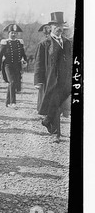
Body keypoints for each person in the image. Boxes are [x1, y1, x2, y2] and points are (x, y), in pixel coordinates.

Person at [34, 12, 72, 143]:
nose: (59, 28)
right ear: (50, 27)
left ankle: (46, 121)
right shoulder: (44, 44)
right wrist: (38, 81)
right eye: (56, 25)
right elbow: (38, 64)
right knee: (55, 104)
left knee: (61, 106)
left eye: (61, 25)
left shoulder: (67, 42)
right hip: (50, 80)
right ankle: (56, 133)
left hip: (65, 80)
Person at [0, 24, 27, 108]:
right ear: (8, 33)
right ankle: (13, 102)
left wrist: (24, 61)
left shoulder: (19, 42)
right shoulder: (5, 43)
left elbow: (23, 54)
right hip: (8, 65)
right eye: (12, 33)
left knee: (13, 83)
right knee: (12, 82)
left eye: (15, 33)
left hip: (17, 65)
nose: (13, 35)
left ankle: (7, 102)